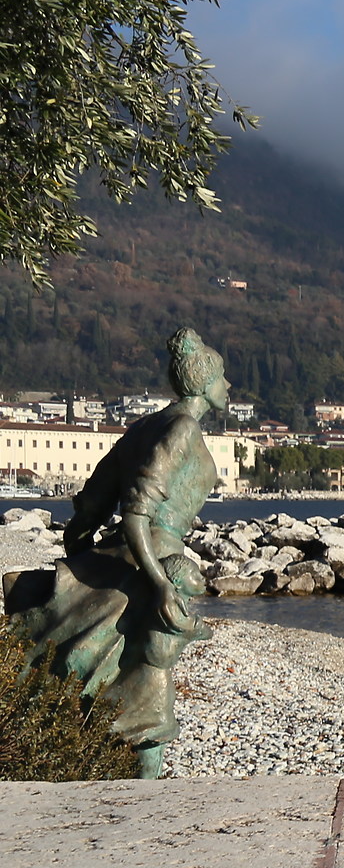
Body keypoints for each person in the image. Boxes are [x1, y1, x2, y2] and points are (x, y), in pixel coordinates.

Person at [2, 328, 229, 777]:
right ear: (203, 382)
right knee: (149, 697)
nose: (228, 386)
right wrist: (159, 584)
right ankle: (141, 804)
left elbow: (92, 502)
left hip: (120, 561)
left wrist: (83, 562)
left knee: (105, 683)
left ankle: (86, 773)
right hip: (150, 566)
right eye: (222, 377)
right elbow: (137, 512)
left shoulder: (144, 426)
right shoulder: (182, 428)